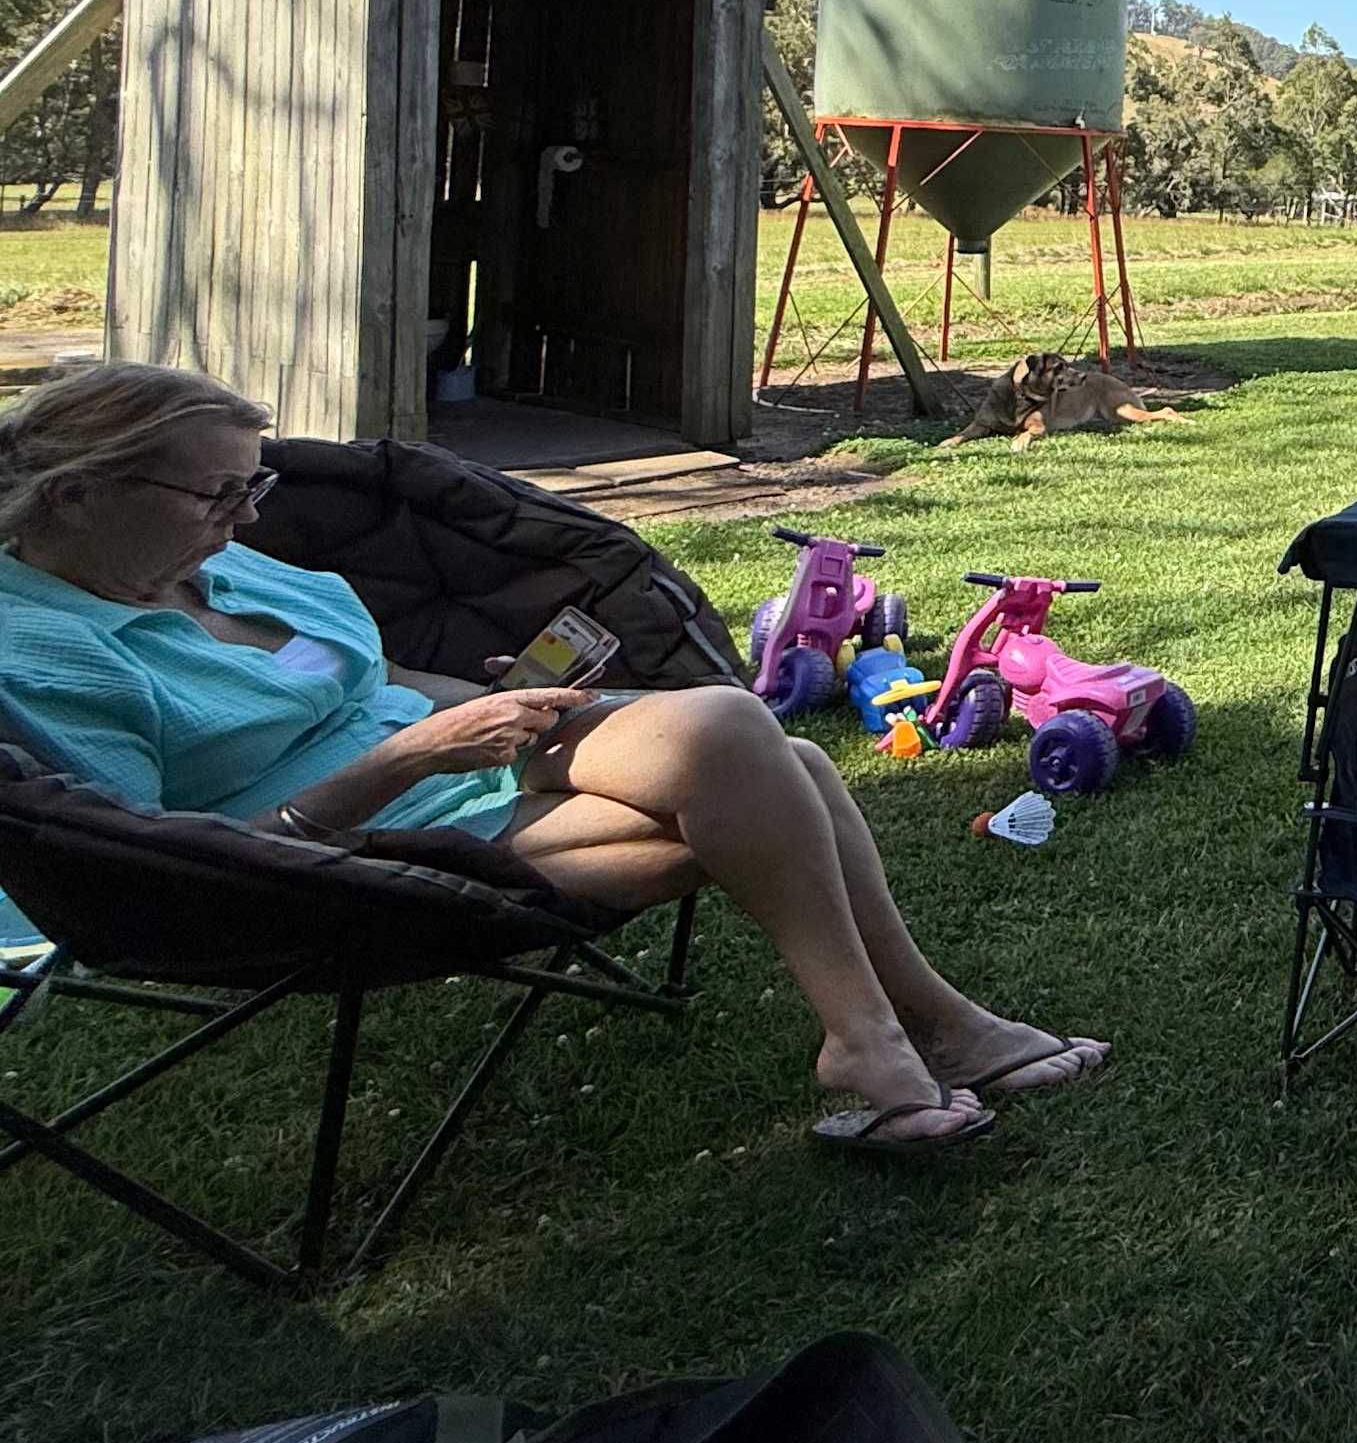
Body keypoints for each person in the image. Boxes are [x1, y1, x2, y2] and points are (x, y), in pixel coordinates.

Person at [0, 362, 1103, 1153]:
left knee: (762, 753)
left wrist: (488, 703)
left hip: (456, 778)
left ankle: (906, 1035)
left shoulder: (217, 570)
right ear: (78, 493)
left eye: (255, 488)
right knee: (756, 751)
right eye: (215, 493)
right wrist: (414, 758)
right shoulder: (40, 652)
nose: (243, 520)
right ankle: (896, 1033)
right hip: (324, 861)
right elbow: (148, 861)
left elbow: (359, 685)